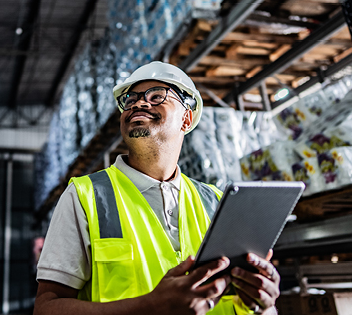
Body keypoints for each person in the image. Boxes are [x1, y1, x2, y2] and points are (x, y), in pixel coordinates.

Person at [34, 61, 280, 315]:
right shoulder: (85, 197)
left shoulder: (218, 202)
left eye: (156, 96)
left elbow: (248, 302)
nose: (139, 104)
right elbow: (46, 309)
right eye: (130, 100)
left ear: (186, 119)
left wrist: (265, 305)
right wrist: (149, 307)